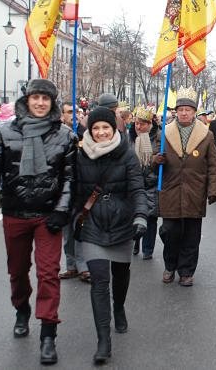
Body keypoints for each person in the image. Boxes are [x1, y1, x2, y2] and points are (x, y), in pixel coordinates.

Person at [0, 79, 78, 365]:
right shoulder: (5, 132)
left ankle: (48, 334)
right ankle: (21, 309)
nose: (41, 103)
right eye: (36, 98)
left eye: (46, 99)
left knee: (48, 274)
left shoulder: (66, 136)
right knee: (18, 272)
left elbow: (70, 178)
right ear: (27, 100)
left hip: (48, 216)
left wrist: (62, 210)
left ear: (53, 102)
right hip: (15, 214)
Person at [73, 106, 148, 364]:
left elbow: (138, 189)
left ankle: (119, 307)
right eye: (96, 128)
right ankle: (103, 339)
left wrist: (140, 215)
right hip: (92, 224)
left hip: (121, 223)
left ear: (114, 129)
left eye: (105, 127)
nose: (101, 132)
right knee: (99, 280)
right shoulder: (79, 155)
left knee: (121, 274)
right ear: (89, 131)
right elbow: (71, 190)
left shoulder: (127, 155)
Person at [154, 87, 216, 286]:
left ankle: (186, 271)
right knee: (169, 231)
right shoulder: (164, 133)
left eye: (188, 110)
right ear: (176, 111)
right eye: (180, 109)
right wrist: (155, 160)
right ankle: (169, 265)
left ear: (194, 112)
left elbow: (213, 165)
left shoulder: (206, 135)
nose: (184, 113)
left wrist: (214, 190)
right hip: (170, 190)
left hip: (195, 192)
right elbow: (152, 161)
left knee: (192, 236)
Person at [58, 101, 89, 283]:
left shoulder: (85, 134)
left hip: (82, 189)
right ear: (62, 115)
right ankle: (71, 266)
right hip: (63, 191)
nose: (74, 115)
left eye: (76, 112)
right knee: (67, 232)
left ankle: (84, 266)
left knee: (80, 230)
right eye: (70, 112)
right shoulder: (58, 135)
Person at [132, 105, 160, 259]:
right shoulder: (130, 137)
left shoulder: (159, 137)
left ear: (150, 124)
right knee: (134, 215)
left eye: (142, 123)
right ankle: (135, 241)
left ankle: (148, 249)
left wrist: (155, 161)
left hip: (151, 183)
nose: (138, 126)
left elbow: (162, 159)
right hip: (134, 183)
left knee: (150, 217)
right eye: (136, 123)